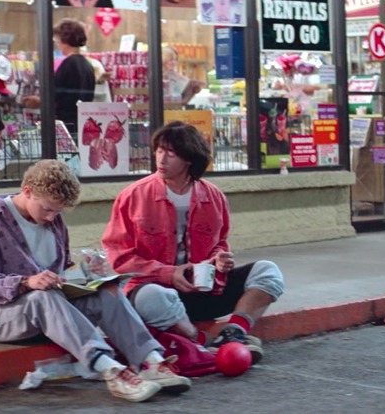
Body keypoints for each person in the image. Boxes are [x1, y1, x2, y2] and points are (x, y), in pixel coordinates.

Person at [0, 160, 191, 403]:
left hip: (51, 308)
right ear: (27, 191)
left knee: (107, 291)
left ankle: (151, 361)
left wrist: (88, 274)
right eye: (48, 209)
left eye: (58, 212)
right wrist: (27, 282)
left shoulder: (54, 221)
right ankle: (110, 370)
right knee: (43, 296)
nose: (52, 217)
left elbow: (60, 271)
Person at [101, 122, 285, 364]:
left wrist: (220, 259)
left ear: (188, 158)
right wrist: (169, 274)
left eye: (171, 153)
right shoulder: (133, 196)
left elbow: (220, 242)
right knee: (152, 297)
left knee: (268, 271)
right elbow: (120, 257)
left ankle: (233, 334)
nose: (161, 159)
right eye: (158, 150)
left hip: (204, 291)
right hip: (156, 295)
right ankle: (201, 342)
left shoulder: (213, 196)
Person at [23, 19, 95, 138]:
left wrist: (39, 100)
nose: (57, 44)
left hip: (67, 123)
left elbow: (55, 94)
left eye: (57, 40)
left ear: (64, 40)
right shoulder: (86, 64)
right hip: (82, 121)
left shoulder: (68, 63)